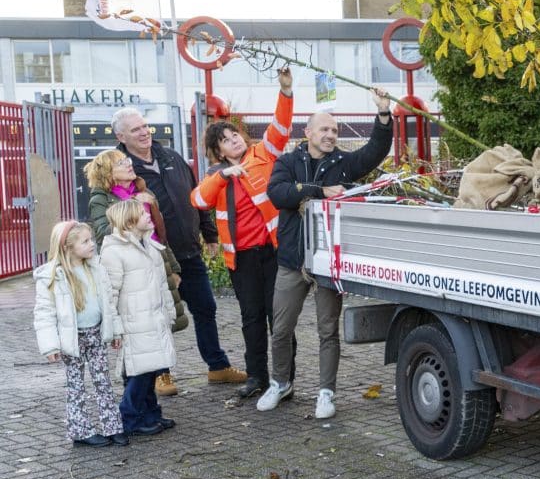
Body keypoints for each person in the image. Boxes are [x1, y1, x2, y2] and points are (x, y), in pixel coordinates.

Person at [257, 89, 393, 419]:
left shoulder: (344, 164)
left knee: (327, 331)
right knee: (281, 329)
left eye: (335, 130)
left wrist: (384, 115)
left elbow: (375, 152)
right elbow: (278, 194)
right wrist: (319, 191)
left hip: (328, 264)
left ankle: (326, 393)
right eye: (325, 129)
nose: (331, 134)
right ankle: (280, 383)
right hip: (292, 260)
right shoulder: (288, 162)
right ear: (309, 133)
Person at [112, 107, 247, 385]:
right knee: (160, 318)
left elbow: (195, 195)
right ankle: (161, 374)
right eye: (135, 129)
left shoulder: (170, 157)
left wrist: (209, 234)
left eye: (144, 126)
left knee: (205, 308)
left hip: (188, 251)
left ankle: (217, 366)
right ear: (120, 135)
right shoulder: (120, 168)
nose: (143, 132)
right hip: (153, 258)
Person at [190, 66, 294, 400]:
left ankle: (284, 379)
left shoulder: (263, 153)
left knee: (278, 319)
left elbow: (280, 127)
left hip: (274, 253)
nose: (234, 140)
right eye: (225, 140)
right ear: (218, 152)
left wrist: (286, 91)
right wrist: (223, 176)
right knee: (251, 319)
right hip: (243, 260)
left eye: (235, 134)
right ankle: (256, 378)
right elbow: (198, 200)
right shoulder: (216, 176)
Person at [85, 148, 188, 397]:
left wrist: (171, 267)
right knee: (137, 333)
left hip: (154, 261)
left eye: (127, 160)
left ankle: (159, 377)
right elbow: (103, 233)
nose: (129, 164)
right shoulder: (102, 198)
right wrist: (130, 210)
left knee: (160, 321)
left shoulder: (144, 191)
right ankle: (136, 395)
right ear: (109, 173)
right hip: (130, 270)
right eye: (122, 162)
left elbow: (157, 234)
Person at [33, 221, 128, 447]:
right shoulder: (52, 277)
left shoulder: (96, 268)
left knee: (103, 381)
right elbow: (44, 313)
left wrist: (115, 330)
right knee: (76, 386)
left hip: (96, 335)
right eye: (85, 241)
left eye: (91, 239)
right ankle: (80, 430)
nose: (92, 244)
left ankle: (112, 426)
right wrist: (50, 346)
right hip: (72, 340)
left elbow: (109, 303)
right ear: (68, 246)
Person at [101, 199, 177, 436]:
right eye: (143, 214)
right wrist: (114, 326)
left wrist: (170, 313)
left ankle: (151, 413)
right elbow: (110, 293)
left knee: (152, 368)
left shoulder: (151, 247)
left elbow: (163, 285)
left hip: (153, 319)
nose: (148, 216)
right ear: (130, 221)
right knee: (139, 373)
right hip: (134, 322)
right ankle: (129, 417)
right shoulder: (115, 252)